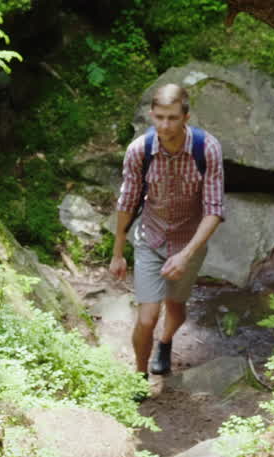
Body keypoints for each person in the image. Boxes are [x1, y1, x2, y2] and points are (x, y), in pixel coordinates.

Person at [108, 83, 224, 380]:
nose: (164, 125)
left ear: (186, 117)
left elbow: (213, 209)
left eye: (172, 118)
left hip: (190, 243)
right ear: (151, 114)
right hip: (151, 239)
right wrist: (118, 252)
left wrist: (186, 255)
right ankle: (138, 374)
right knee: (147, 317)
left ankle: (166, 342)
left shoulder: (206, 149)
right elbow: (128, 201)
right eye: (159, 117)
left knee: (176, 308)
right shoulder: (139, 151)